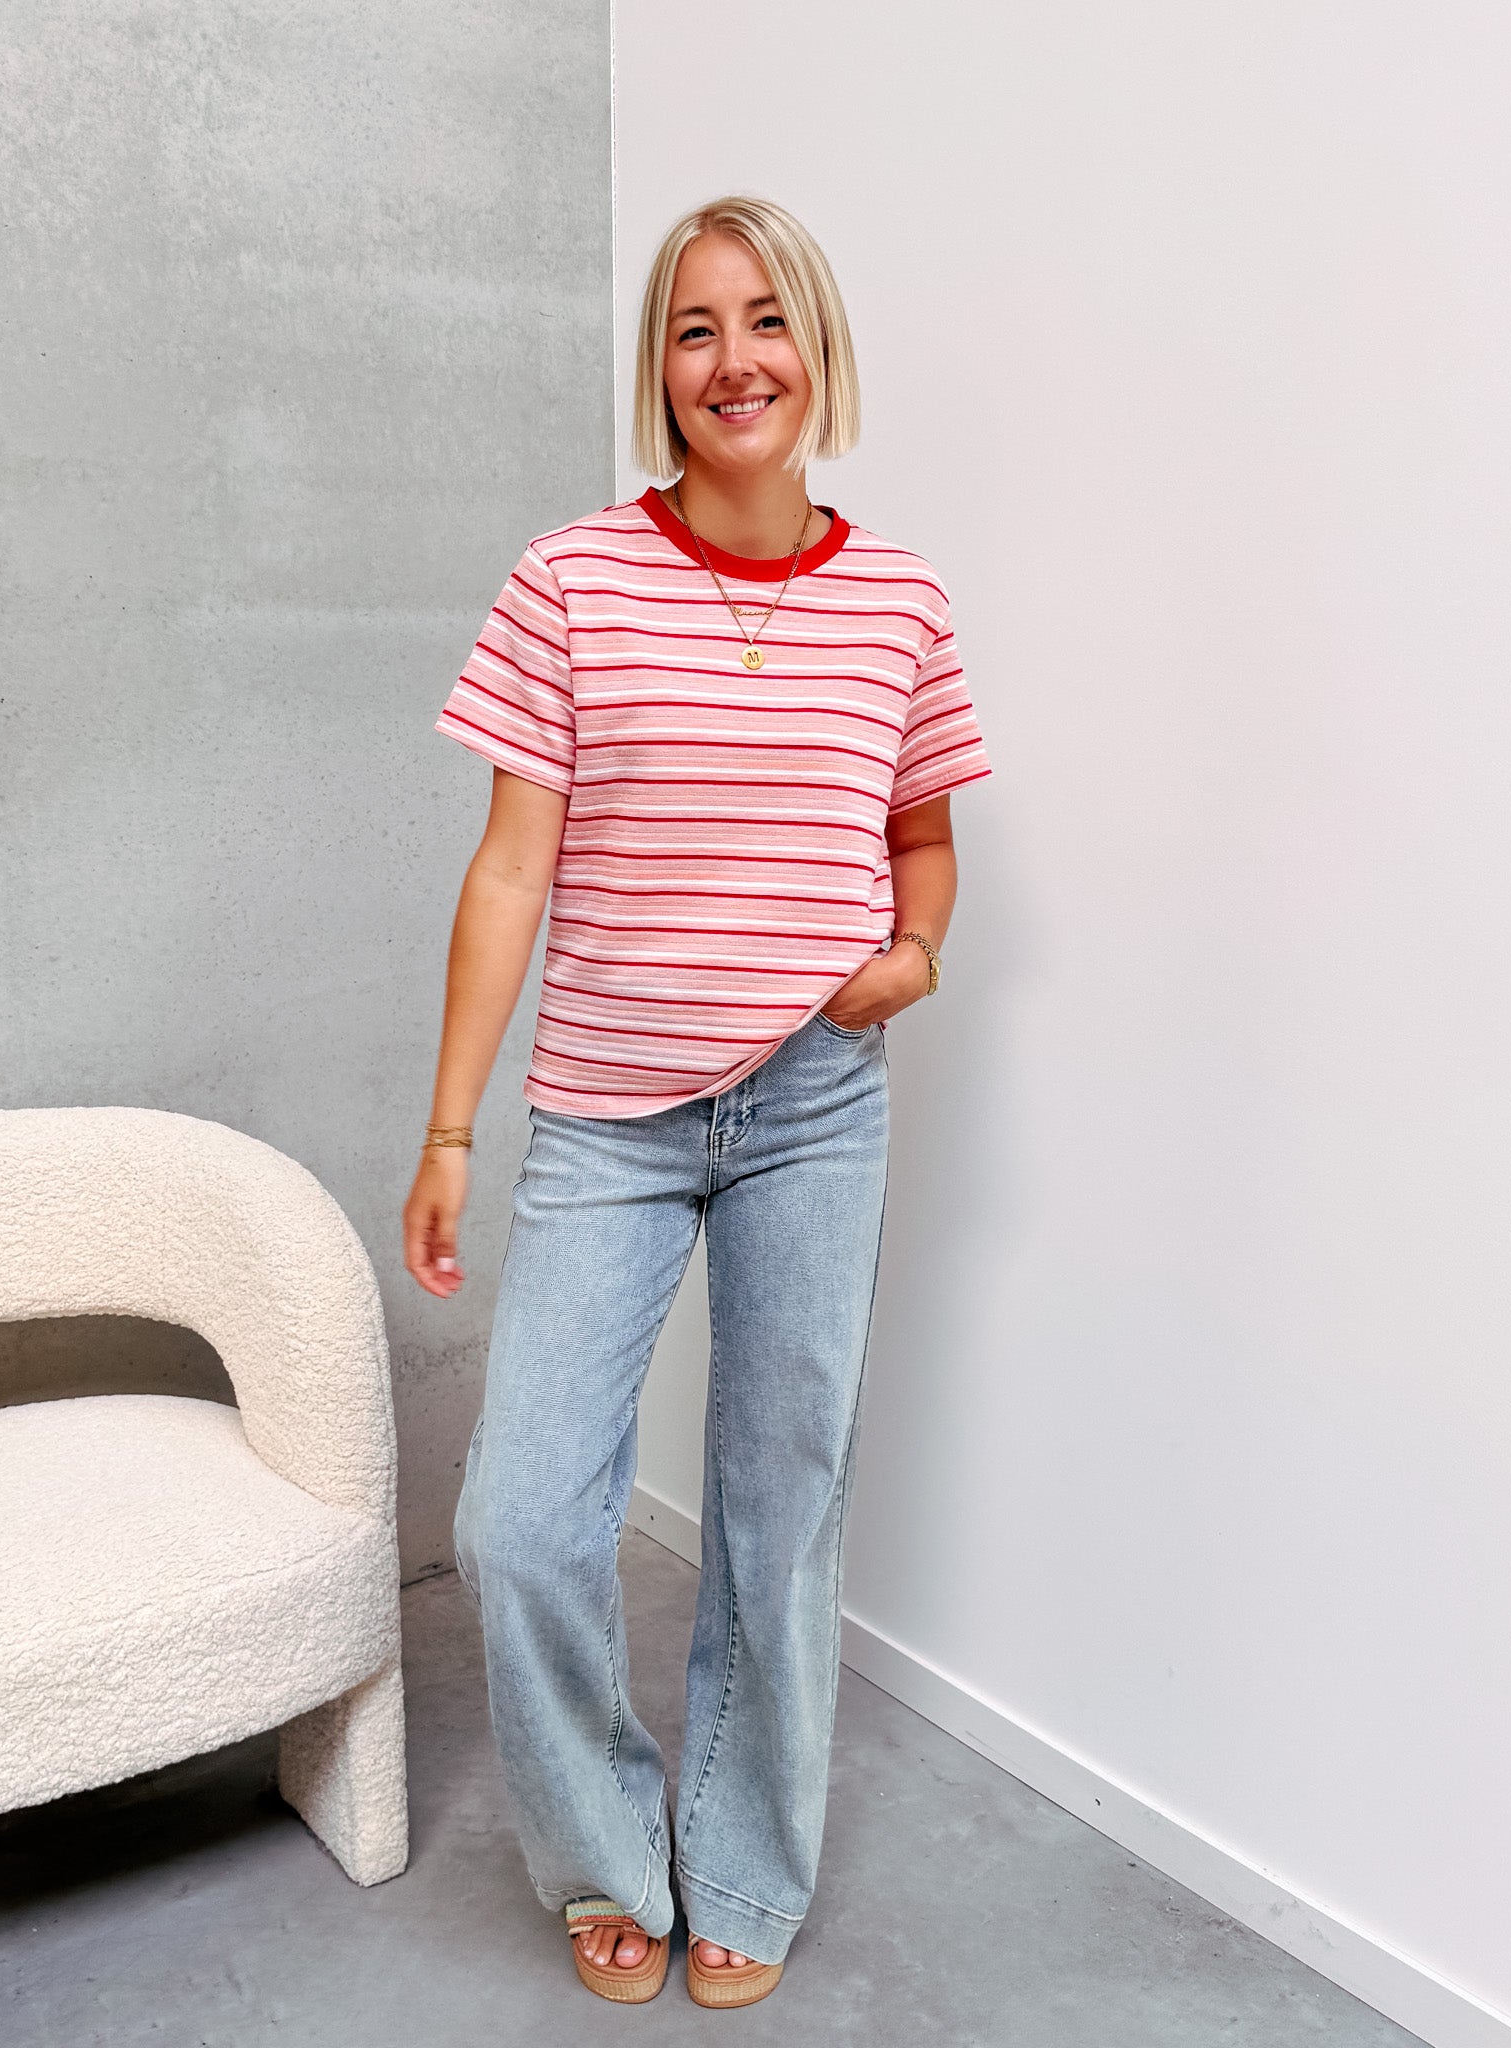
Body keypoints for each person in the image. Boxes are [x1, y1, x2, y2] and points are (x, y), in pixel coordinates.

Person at [403, 195, 988, 2010]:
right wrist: (449, 1126)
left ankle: (738, 1862)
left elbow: (922, 837)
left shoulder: (898, 600)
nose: (733, 361)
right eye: (691, 327)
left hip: (815, 1101)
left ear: (815, 347)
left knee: (777, 1505)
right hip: (608, 1118)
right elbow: (511, 868)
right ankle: (603, 1847)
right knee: (521, 1519)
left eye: (764, 320)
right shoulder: (571, 580)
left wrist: (913, 953)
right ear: (658, 369)